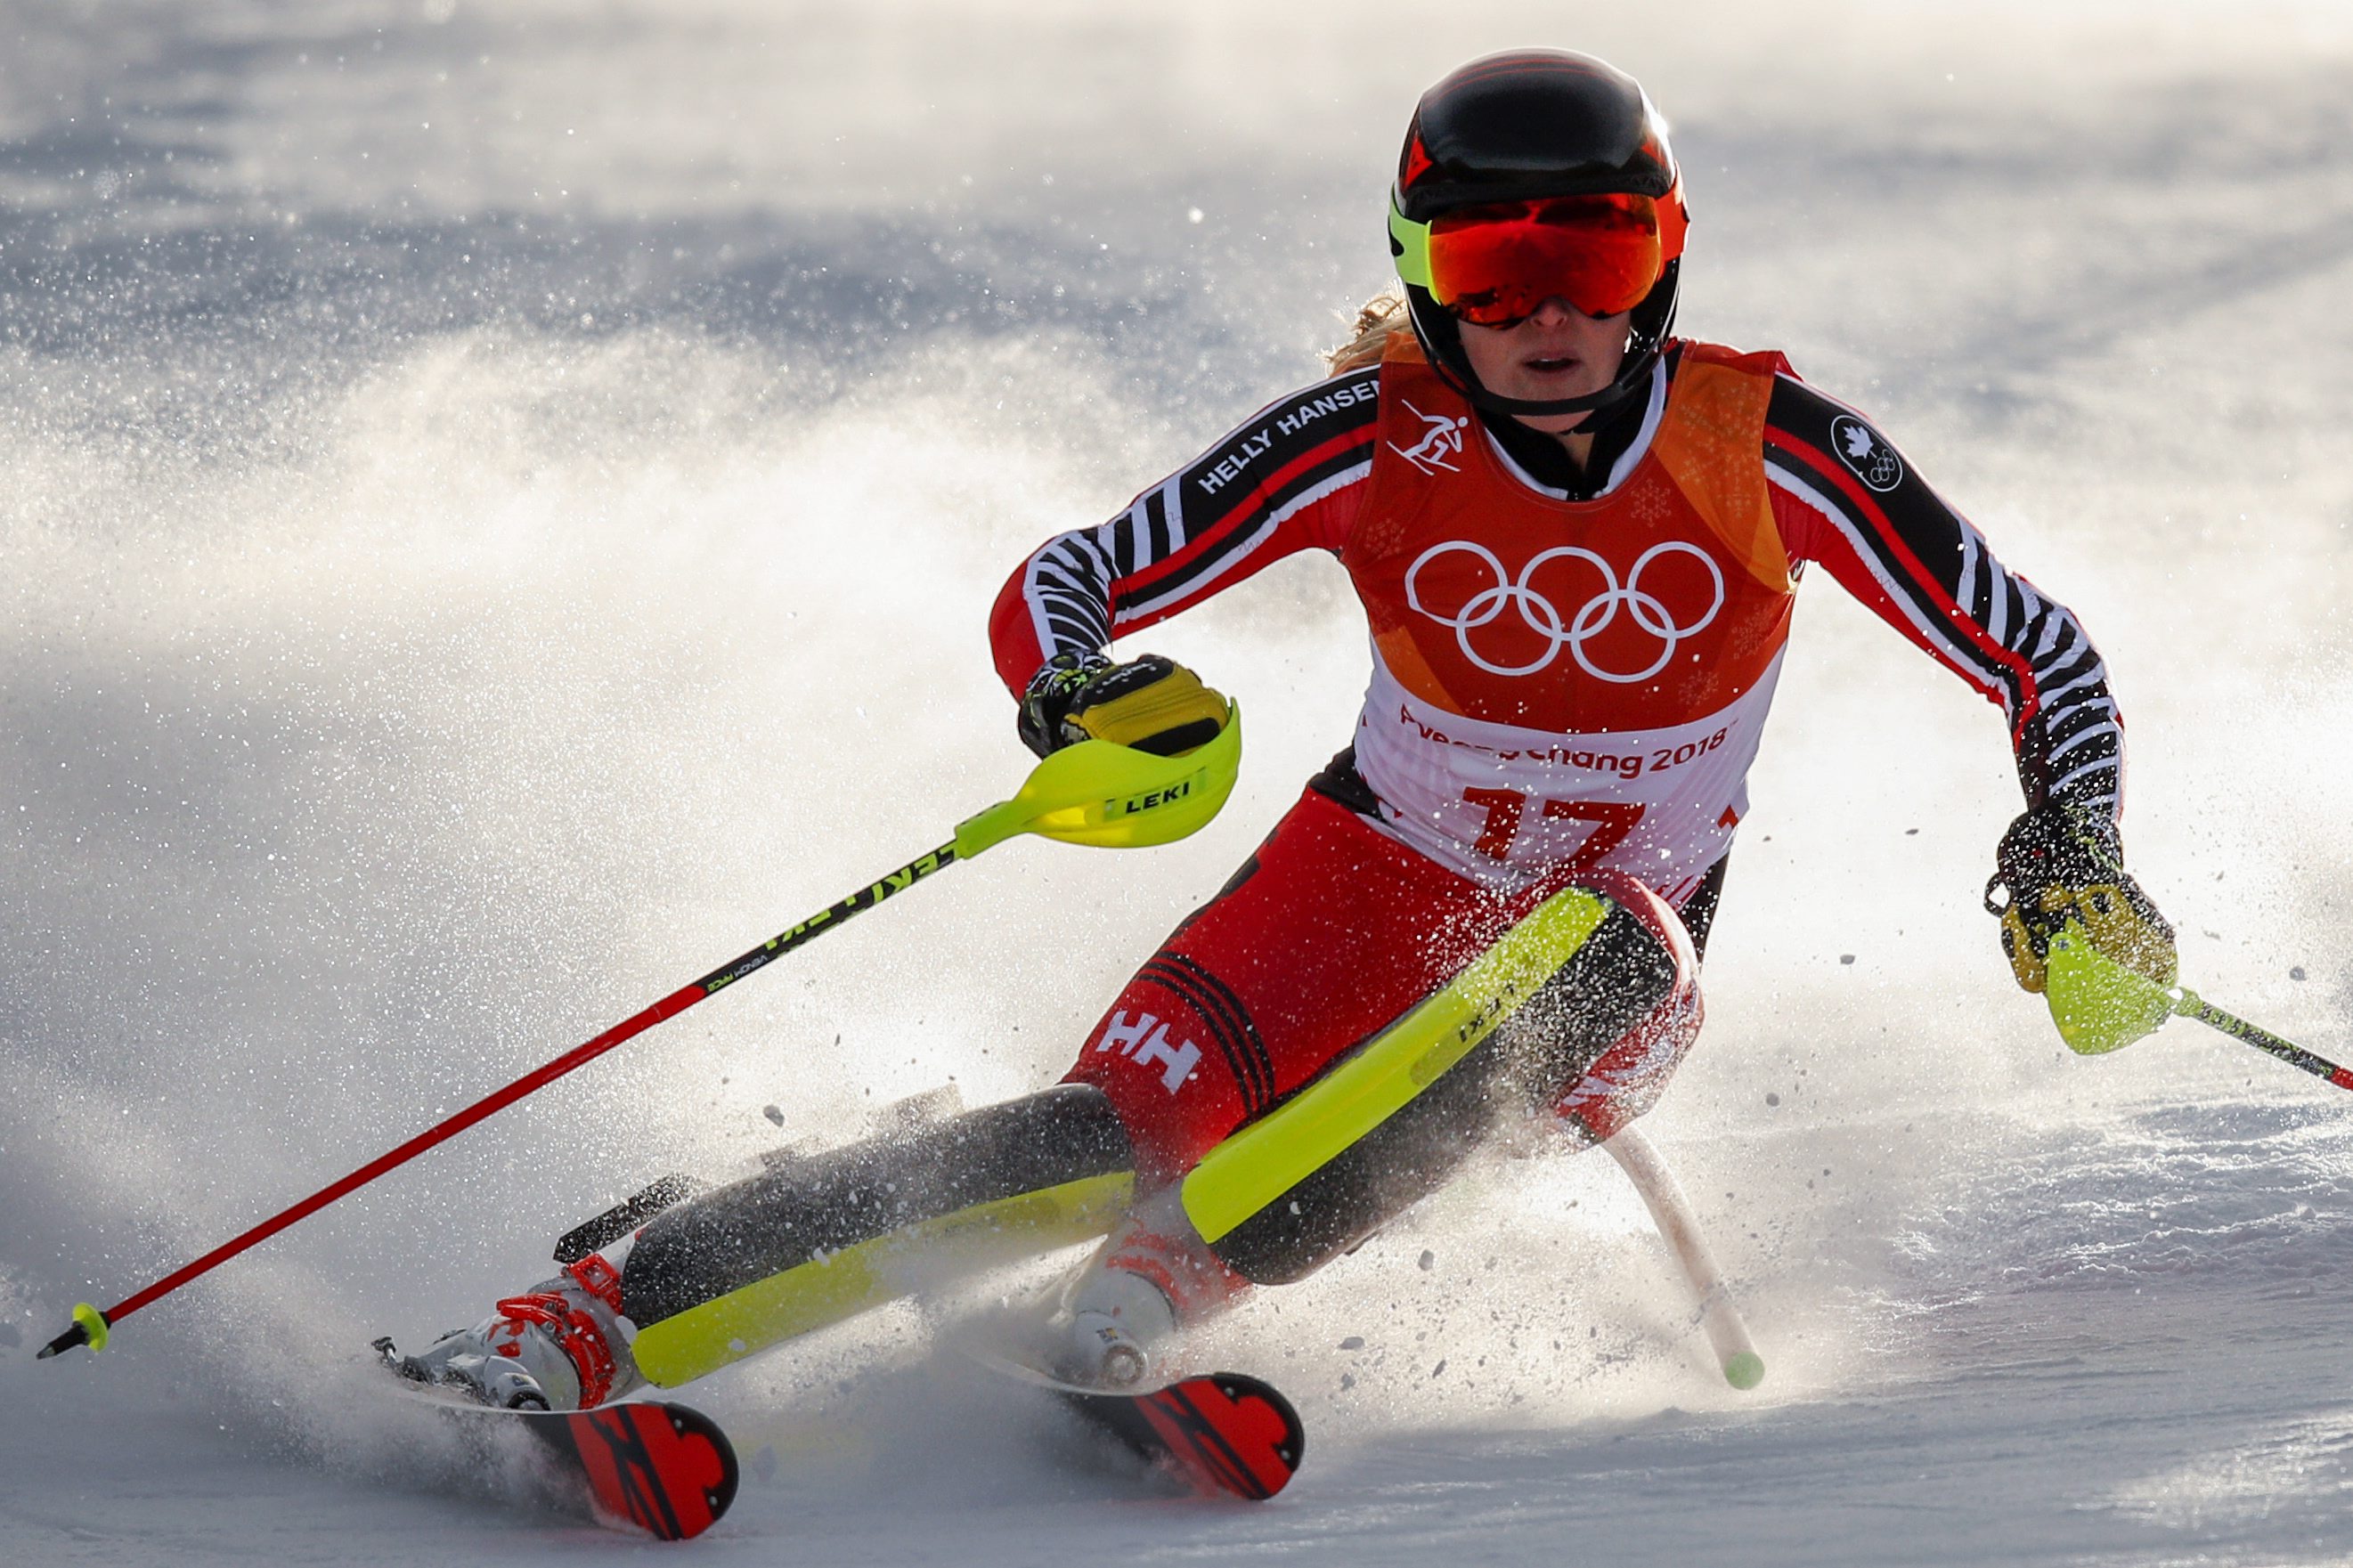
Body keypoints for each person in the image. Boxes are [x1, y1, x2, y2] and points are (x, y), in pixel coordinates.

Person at [385, 47, 2178, 1412]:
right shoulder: (1363, 435)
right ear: (1417, 269)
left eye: (1599, 257)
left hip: (1613, 970)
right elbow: (1074, 577)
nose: (1548, 313)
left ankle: (1167, 1279)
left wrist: (2077, 845)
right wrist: (1079, 693)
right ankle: (591, 1324)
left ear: (1668, 264)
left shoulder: (1762, 448)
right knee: (1091, 1140)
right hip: (1354, 880)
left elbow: (2035, 650)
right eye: (1489, 265)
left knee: (1595, 953)